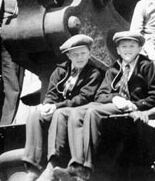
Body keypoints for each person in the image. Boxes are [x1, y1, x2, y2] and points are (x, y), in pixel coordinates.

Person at [55, 31, 155, 181]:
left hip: (131, 108)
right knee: (76, 112)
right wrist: (115, 98)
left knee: (93, 112)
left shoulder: (146, 66)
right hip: (115, 104)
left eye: (132, 46)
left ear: (139, 48)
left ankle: (87, 167)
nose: (127, 50)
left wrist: (135, 105)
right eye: (123, 47)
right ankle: (76, 164)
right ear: (118, 50)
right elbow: (100, 95)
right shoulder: (115, 68)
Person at [22, 35, 104, 181]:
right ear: (68, 55)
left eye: (84, 53)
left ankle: (53, 164)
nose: (80, 58)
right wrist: (47, 105)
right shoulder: (60, 71)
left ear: (89, 53)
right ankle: (33, 167)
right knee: (35, 115)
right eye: (76, 54)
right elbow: (51, 93)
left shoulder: (94, 73)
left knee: (59, 113)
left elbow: (83, 98)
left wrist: (56, 106)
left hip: (78, 110)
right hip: (58, 108)